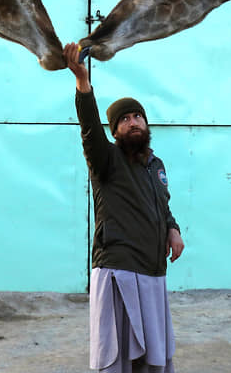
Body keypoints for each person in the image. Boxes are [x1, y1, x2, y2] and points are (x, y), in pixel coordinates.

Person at [63, 42, 185, 373]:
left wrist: (173, 229)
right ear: (115, 130)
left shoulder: (156, 165)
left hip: (153, 272)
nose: (133, 123)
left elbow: (163, 204)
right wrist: (83, 84)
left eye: (137, 117)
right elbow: (89, 129)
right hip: (118, 270)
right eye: (124, 120)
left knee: (150, 360)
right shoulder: (107, 160)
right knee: (117, 360)